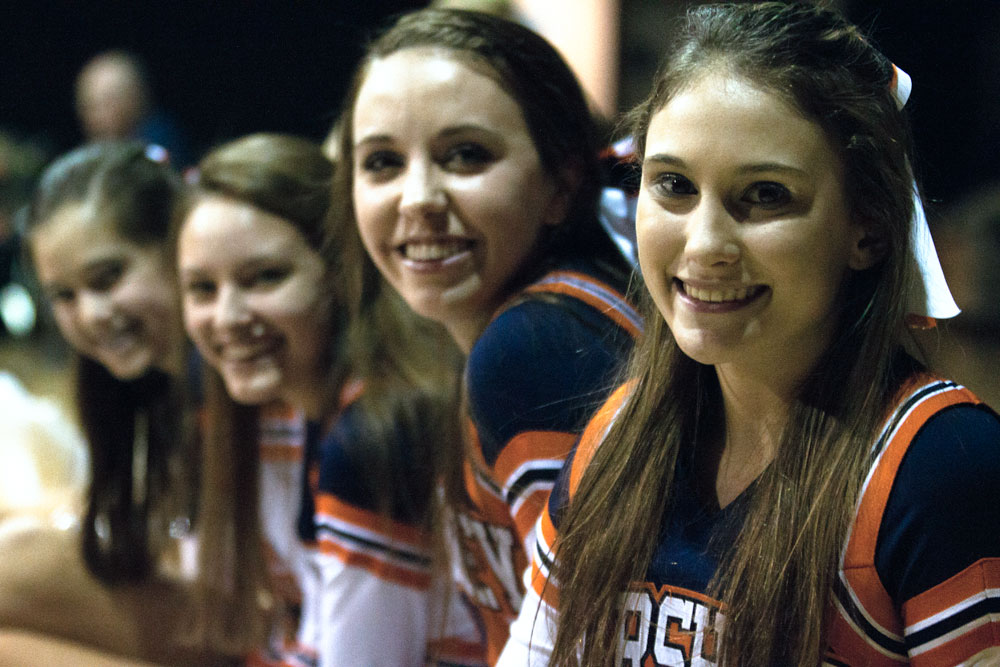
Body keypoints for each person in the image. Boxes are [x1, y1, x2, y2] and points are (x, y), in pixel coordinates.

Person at [498, 3, 1000, 666]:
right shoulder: (615, 436)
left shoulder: (939, 466)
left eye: (766, 195)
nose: (705, 243)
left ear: (869, 229)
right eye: (674, 184)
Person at [337, 8, 642, 663]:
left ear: (561, 186)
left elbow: (589, 647)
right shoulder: (522, 331)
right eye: (383, 162)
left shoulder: (534, 347)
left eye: (466, 155)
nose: (417, 197)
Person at [176, 133, 476, 666]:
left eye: (265, 278)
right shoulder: (305, 401)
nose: (227, 317)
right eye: (202, 289)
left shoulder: (378, 427)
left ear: (340, 269)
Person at [5, 142, 228, 665]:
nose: (91, 314)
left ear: (179, 247)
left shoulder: (230, 374)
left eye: (108, 278)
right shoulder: (144, 388)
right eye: (65, 296)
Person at [75, 51, 193, 167]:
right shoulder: (87, 156)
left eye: (105, 104)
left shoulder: (161, 148)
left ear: (133, 98)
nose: (95, 117)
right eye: (87, 107)